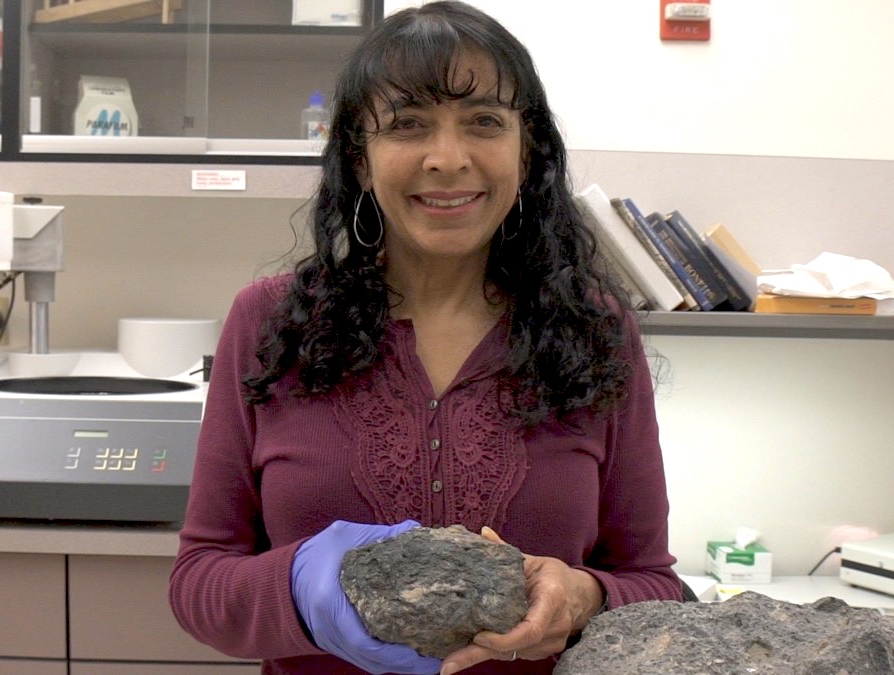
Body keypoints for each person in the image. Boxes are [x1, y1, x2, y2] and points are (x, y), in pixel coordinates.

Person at [168, 2, 682, 673]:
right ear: (359, 157)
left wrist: (586, 596)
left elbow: (655, 583)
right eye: (409, 124)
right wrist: (297, 587)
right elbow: (199, 581)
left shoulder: (597, 330)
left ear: (525, 154)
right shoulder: (268, 325)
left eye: (484, 123)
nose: (447, 158)